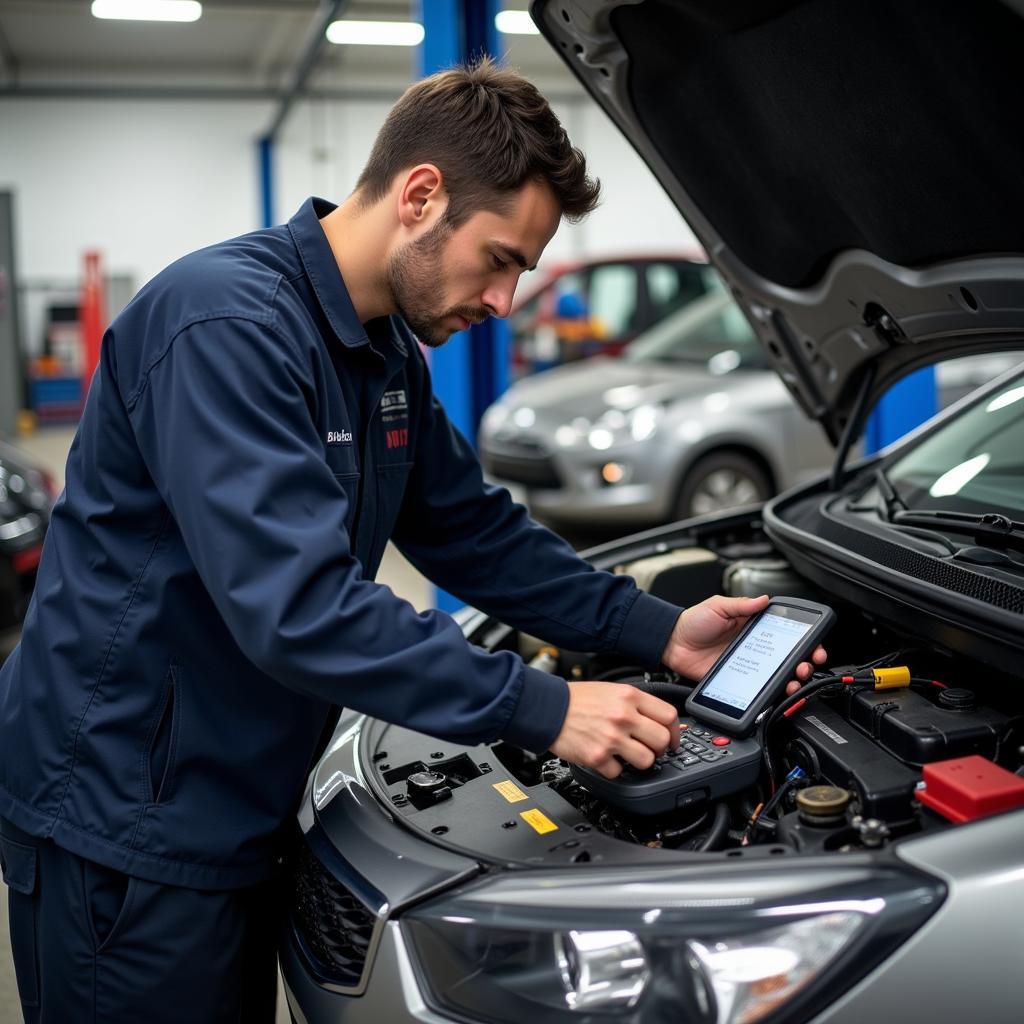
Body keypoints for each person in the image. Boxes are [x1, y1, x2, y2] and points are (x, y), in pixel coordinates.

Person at [0, 59, 825, 1022]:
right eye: (502, 259)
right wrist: (542, 706)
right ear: (421, 196)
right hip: (125, 818)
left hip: (236, 798)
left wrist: (658, 631)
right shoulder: (223, 324)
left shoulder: (380, 348)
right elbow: (299, 609)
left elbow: (475, 533)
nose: (506, 300)